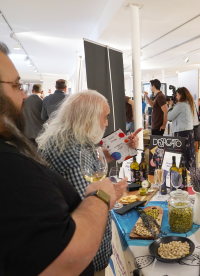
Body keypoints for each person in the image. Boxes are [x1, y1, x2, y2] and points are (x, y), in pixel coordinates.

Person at [0, 39, 138, 275]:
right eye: (17, 86)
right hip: (90, 259)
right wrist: (104, 195)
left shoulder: (68, 140)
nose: (25, 96)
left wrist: (117, 151)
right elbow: (83, 221)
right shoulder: (66, 152)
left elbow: (90, 166)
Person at [37, 90, 142, 275]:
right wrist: (109, 195)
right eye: (105, 117)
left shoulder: (66, 139)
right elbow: (87, 212)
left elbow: (93, 162)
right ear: (89, 118)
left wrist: (122, 147)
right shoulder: (74, 155)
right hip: (86, 260)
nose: (107, 123)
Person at [167, 87, 196, 168]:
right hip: (189, 133)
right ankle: (191, 174)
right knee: (189, 156)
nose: (176, 97)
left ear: (181, 95)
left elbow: (169, 117)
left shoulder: (180, 105)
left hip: (182, 134)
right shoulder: (188, 104)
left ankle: (183, 174)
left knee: (182, 157)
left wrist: (170, 105)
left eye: (177, 95)